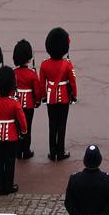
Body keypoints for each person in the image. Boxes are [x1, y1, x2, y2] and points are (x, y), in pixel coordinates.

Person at [0, 67, 27, 195]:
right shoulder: (14, 103)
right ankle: (8, 186)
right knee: (10, 162)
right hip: (12, 135)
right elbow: (22, 120)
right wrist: (24, 131)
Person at [41, 27, 77, 161]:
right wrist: (74, 95)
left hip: (50, 98)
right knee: (62, 125)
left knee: (52, 125)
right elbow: (72, 82)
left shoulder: (44, 64)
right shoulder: (67, 64)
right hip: (64, 98)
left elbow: (41, 84)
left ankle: (52, 151)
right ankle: (60, 152)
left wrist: (44, 97)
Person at [11, 40, 42, 161]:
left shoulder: (13, 73)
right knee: (27, 127)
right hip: (28, 104)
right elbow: (37, 90)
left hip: (16, 103)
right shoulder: (31, 73)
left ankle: (18, 150)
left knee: (17, 126)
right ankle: (26, 150)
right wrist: (37, 101)